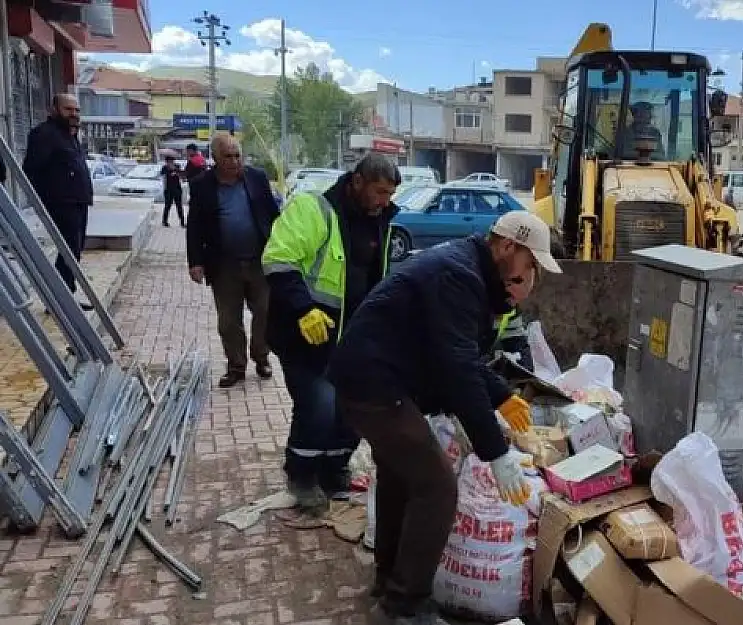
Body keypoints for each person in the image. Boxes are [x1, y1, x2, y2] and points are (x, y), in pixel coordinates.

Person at [326, 212, 561, 625]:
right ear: (507, 247)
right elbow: (457, 370)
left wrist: (502, 396)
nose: (530, 275)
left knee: (402, 478)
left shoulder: (465, 269)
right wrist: (497, 452)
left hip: (373, 378)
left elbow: (457, 355)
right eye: (531, 263)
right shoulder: (460, 276)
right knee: (436, 485)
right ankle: (405, 606)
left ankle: (389, 584)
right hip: (375, 385)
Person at [261, 153, 401, 512]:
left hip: (352, 337)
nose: (385, 201)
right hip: (305, 334)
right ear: (357, 182)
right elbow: (278, 260)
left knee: (351, 409)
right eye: (379, 191)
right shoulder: (313, 210)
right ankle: (302, 476)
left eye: (390, 194)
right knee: (318, 406)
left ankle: (334, 469)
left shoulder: (381, 219)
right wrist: (303, 308)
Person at [186, 133, 280, 388]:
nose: (233, 161)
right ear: (215, 158)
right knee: (229, 321)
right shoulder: (202, 185)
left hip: (259, 261)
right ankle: (236, 366)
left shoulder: (256, 178)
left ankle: (261, 357)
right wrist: (195, 262)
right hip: (224, 264)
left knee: (265, 312)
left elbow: (273, 216)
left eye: (237, 155)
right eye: (227, 156)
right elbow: (194, 226)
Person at [22, 93, 94, 309]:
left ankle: (62, 297)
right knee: (69, 249)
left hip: (77, 201)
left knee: (74, 249)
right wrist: (44, 199)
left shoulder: (69, 135)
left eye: (77, 110)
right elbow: (31, 170)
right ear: (54, 109)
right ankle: (61, 300)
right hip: (60, 203)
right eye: (68, 109)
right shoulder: (44, 134)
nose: (74, 114)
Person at [161, 155, 185, 227]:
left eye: (172, 161)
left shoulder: (177, 166)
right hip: (168, 189)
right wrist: (165, 188)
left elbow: (181, 175)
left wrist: (175, 170)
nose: (170, 163)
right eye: (169, 162)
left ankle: (182, 222)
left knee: (179, 205)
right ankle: (164, 221)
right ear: (166, 162)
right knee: (167, 206)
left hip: (177, 189)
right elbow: (164, 177)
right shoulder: (164, 168)